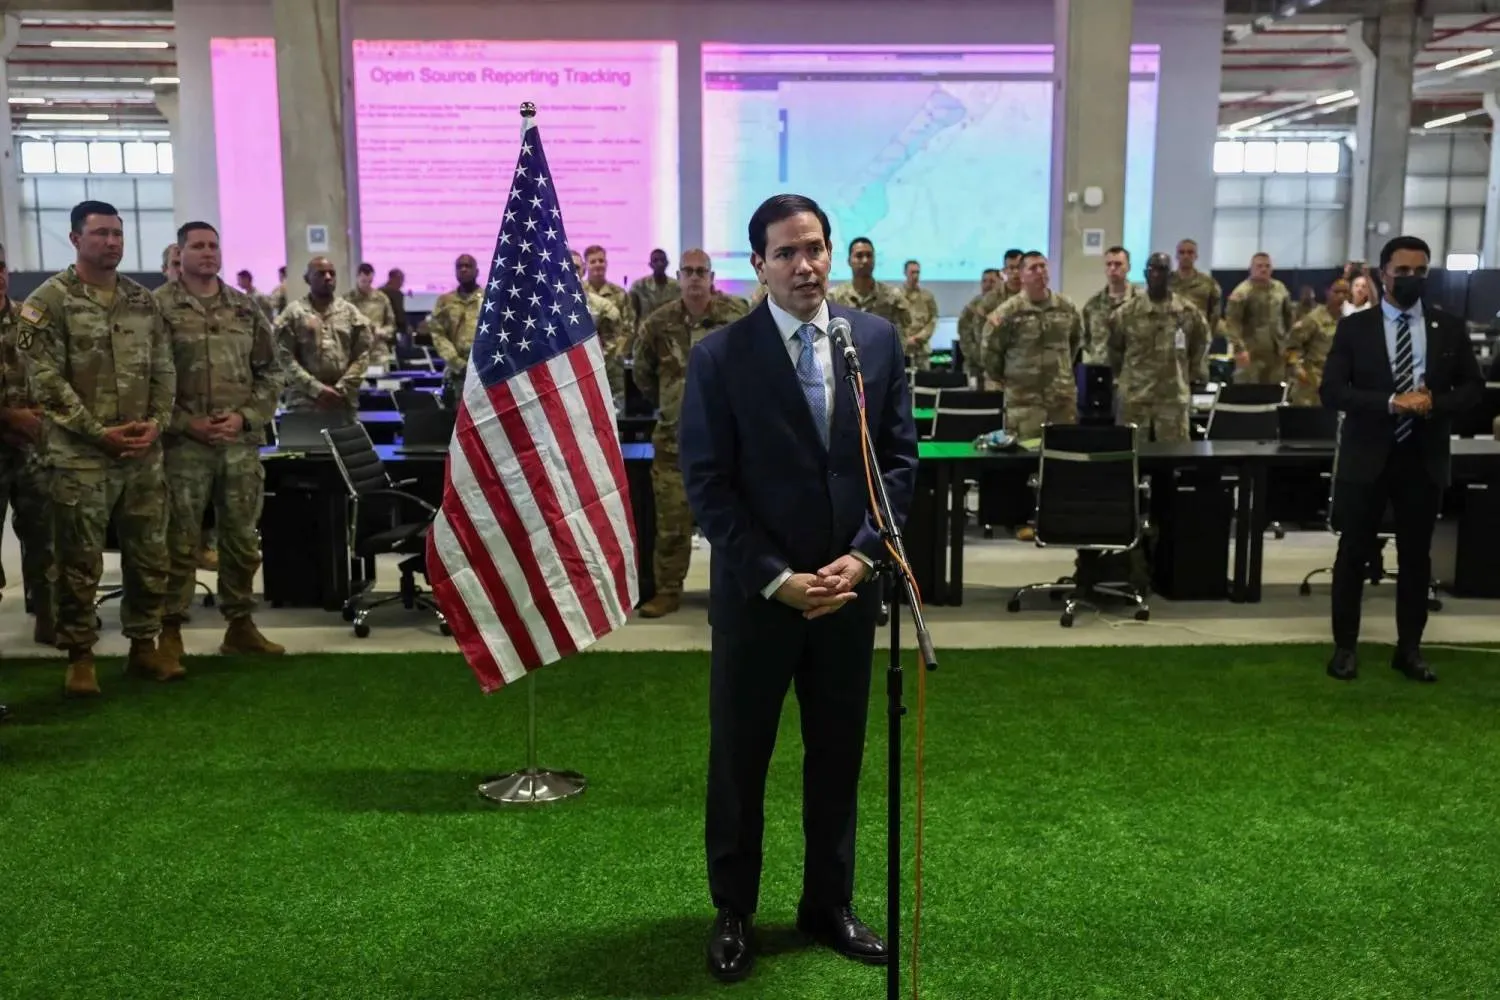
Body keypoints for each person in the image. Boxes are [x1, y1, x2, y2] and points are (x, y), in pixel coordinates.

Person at [679, 193, 917, 983]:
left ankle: (827, 903)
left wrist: (865, 555)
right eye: (786, 253)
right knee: (741, 758)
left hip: (849, 593)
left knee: (837, 755)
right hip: (760, 599)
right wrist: (777, 579)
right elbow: (708, 486)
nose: (805, 264)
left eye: (814, 247)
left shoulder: (874, 342)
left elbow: (898, 462)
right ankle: (734, 911)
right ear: (759, 265)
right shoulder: (719, 356)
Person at [19, 200, 180, 695]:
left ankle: (143, 646)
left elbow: (164, 368)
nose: (111, 242)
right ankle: (81, 655)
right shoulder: (49, 302)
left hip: (141, 453)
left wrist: (156, 424)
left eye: (117, 233)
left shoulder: (141, 300)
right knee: (78, 559)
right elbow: (45, 381)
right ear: (74, 239)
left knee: (149, 555)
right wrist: (97, 432)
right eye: (100, 234)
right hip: (79, 456)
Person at [1319, 235, 1483, 683]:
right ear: (1383, 273)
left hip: (1421, 459)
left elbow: (1473, 388)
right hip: (1367, 457)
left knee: (1416, 557)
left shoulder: (1448, 328)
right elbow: (1332, 392)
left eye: (1420, 272)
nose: (1411, 279)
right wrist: (1392, 402)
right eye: (1402, 271)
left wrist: (1436, 402)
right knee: (1353, 553)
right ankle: (1345, 649)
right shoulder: (1355, 328)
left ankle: (1408, 650)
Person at [154, 221, 286, 661]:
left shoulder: (246, 309)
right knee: (179, 541)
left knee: (241, 539)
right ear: (180, 252)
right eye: (198, 246)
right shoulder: (157, 309)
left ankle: (240, 624)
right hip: (182, 448)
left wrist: (245, 417)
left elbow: (271, 372)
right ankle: (169, 630)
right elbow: (142, 381)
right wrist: (182, 423)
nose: (208, 253)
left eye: (213, 245)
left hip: (237, 446)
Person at [631, 249, 749, 618]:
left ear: (712, 278)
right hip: (673, 442)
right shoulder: (657, 322)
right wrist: (673, 403)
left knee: (734, 522)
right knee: (671, 523)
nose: (695, 278)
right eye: (689, 272)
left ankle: (738, 593)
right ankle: (667, 592)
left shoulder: (737, 316)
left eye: (702, 272)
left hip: (727, 443)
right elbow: (643, 374)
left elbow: (756, 364)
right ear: (679, 278)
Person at [0, 242, 54, 645]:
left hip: (34, 448)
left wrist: (39, 413)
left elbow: (54, 372)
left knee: (44, 535)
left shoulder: (29, 320)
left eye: (0, 266)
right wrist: (7, 415)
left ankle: (49, 616)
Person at [1106, 251, 1209, 442]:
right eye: (1151, 270)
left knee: (1172, 460)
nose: (1156, 275)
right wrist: (1127, 380)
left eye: (1161, 270)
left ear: (1170, 275)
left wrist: (1190, 377)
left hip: (1172, 401)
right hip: (1135, 401)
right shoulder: (1126, 313)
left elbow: (1199, 346)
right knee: (1132, 460)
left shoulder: (1187, 312)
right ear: (1145, 274)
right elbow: (1114, 351)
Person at [274, 256, 373, 415]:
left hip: (342, 401)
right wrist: (317, 390)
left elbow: (362, 355)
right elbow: (284, 357)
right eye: (320, 274)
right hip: (304, 403)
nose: (328, 277)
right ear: (307, 279)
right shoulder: (293, 313)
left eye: (331, 273)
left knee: (344, 440)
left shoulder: (350, 312)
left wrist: (341, 388)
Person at [1224, 253, 1295, 384]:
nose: (1263, 269)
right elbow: (1232, 322)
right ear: (1251, 268)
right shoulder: (1242, 292)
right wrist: (1239, 349)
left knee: (1275, 392)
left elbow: (1288, 317)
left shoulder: (1280, 288)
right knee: (1248, 391)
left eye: (1267, 266)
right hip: (1251, 352)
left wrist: (1289, 343)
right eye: (1259, 266)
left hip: (1276, 351)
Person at [1285, 279, 1347, 407]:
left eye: (1345, 292)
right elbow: (1292, 346)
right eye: (1336, 292)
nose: (1341, 296)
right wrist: (1297, 369)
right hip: (1311, 382)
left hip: (1336, 381)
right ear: (1327, 293)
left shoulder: (1348, 320)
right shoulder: (1313, 319)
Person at [345, 262, 398, 366]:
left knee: (381, 381)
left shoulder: (381, 299)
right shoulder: (347, 300)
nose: (367, 285)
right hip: (355, 353)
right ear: (357, 278)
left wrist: (382, 331)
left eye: (370, 281)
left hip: (378, 352)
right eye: (363, 281)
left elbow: (391, 324)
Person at [898, 259, 939, 369]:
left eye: (918, 272)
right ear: (905, 273)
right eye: (912, 272)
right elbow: (892, 321)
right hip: (902, 350)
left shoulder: (927, 297)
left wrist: (918, 338)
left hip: (921, 350)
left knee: (924, 383)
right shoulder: (896, 296)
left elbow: (933, 320)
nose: (915, 276)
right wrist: (905, 339)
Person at [628, 248, 681, 328]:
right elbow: (632, 314)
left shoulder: (677, 286)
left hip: (669, 331)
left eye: (662, 260)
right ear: (650, 264)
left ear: (667, 263)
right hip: (645, 333)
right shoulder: (639, 286)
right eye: (655, 261)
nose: (659, 264)